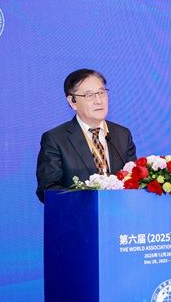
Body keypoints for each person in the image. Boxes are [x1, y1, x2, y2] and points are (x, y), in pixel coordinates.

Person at [36, 69, 136, 203]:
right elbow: (48, 190)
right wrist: (86, 201)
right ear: (72, 101)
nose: (99, 100)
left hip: (119, 214)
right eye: (90, 95)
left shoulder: (122, 134)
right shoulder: (55, 139)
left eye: (102, 92)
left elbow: (134, 180)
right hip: (79, 214)